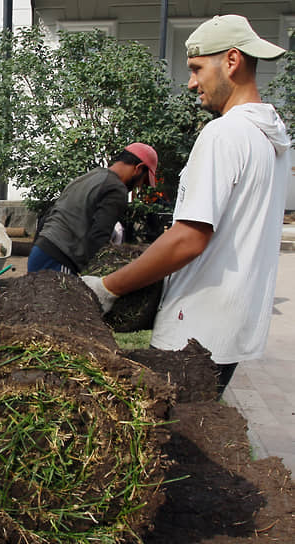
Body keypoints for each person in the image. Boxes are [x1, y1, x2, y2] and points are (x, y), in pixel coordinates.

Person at [82, 14, 290, 398]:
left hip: (194, 329)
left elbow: (188, 240)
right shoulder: (271, 140)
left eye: (196, 68)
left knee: (167, 442)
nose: (191, 82)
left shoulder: (224, 134)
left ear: (231, 61)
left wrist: (107, 286)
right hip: (231, 328)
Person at [28, 143, 158, 275]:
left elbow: (48, 216)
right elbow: (99, 236)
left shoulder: (89, 177)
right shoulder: (117, 189)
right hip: (60, 259)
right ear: (138, 168)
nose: (139, 185)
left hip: (41, 251)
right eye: (143, 180)